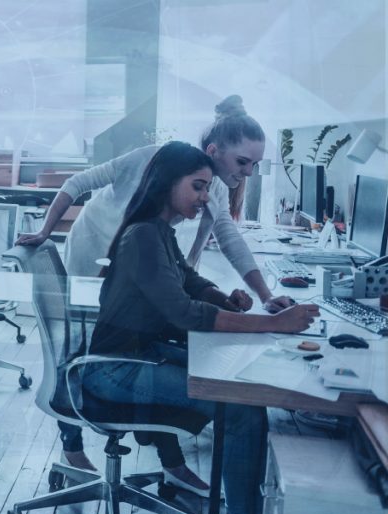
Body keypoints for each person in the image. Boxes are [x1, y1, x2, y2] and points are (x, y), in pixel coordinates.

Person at [17, 95, 295, 477]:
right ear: (215, 152)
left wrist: (262, 297)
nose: (247, 173)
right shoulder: (158, 174)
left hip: (138, 262)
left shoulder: (193, 197)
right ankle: (74, 447)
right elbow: (79, 182)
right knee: (83, 347)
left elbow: (225, 241)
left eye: (254, 165)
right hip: (94, 249)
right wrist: (46, 231)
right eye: (242, 162)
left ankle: (171, 459)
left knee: (151, 341)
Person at [82, 141, 319, 514]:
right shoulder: (143, 235)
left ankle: (242, 513)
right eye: (197, 186)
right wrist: (271, 321)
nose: (205, 197)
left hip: (139, 355)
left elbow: (190, 283)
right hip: (115, 369)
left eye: (207, 188)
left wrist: (225, 299)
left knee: (239, 382)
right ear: (165, 183)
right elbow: (184, 313)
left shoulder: (159, 231)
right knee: (240, 408)